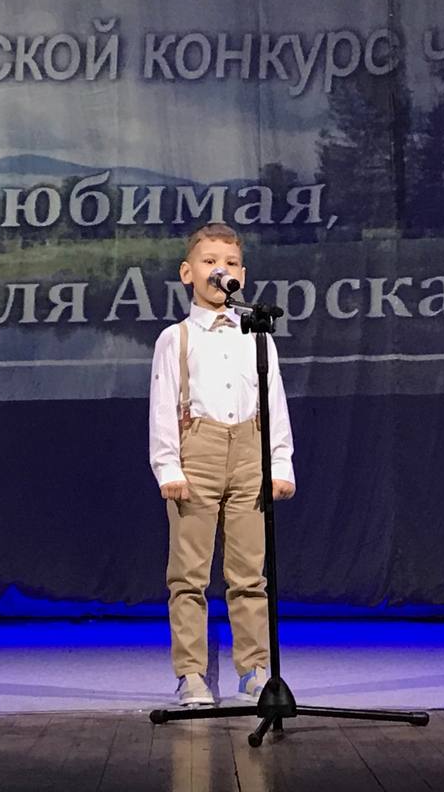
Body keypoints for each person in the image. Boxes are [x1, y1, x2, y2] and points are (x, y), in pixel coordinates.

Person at [148, 222, 296, 706]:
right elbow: (163, 406)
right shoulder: (177, 338)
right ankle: (191, 673)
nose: (221, 270)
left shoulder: (257, 337)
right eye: (210, 261)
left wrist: (280, 463)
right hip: (199, 452)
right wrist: (168, 467)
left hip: (249, 452)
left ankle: (253, 669)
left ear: (242, 276)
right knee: (189, 575)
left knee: (250, 573)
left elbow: (273, 401)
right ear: (187, 272)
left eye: (230, 263)